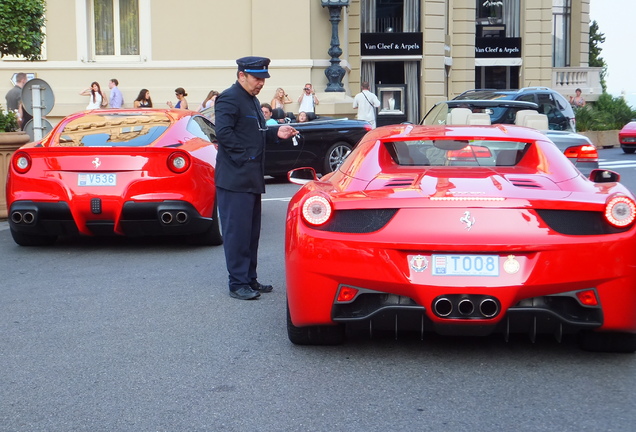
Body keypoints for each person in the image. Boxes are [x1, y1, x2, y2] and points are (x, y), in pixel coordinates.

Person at [215, 56, 298, 300]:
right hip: (235, 178)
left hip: (250, 178)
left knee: (250, 234)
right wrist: (245, 159)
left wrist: (276, 132)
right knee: (237, 234)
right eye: (257, 78)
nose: (261, 83)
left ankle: (249, 279)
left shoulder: (250, 100)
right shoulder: (230, 97)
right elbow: (223, 133)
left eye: (263, 78)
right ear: (242, 75)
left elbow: (255, 132)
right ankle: (237, 283)